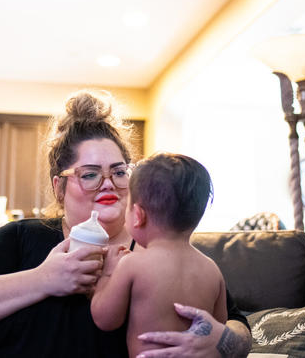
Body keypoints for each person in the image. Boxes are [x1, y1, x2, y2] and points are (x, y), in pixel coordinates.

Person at [0, 90, 251, 357]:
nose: (108, 183)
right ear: (60, 187)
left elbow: (238, 328)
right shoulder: (22, 237)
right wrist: (43, 279)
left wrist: (219, 344)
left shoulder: (161, 251)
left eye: (118, 171)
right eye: (89, 174)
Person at [91, 153, 227, 358]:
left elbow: (105, 319)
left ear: (138, 215)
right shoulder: (212, 270)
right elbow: (219, 326)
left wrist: (108, 273)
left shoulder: (132, 264)